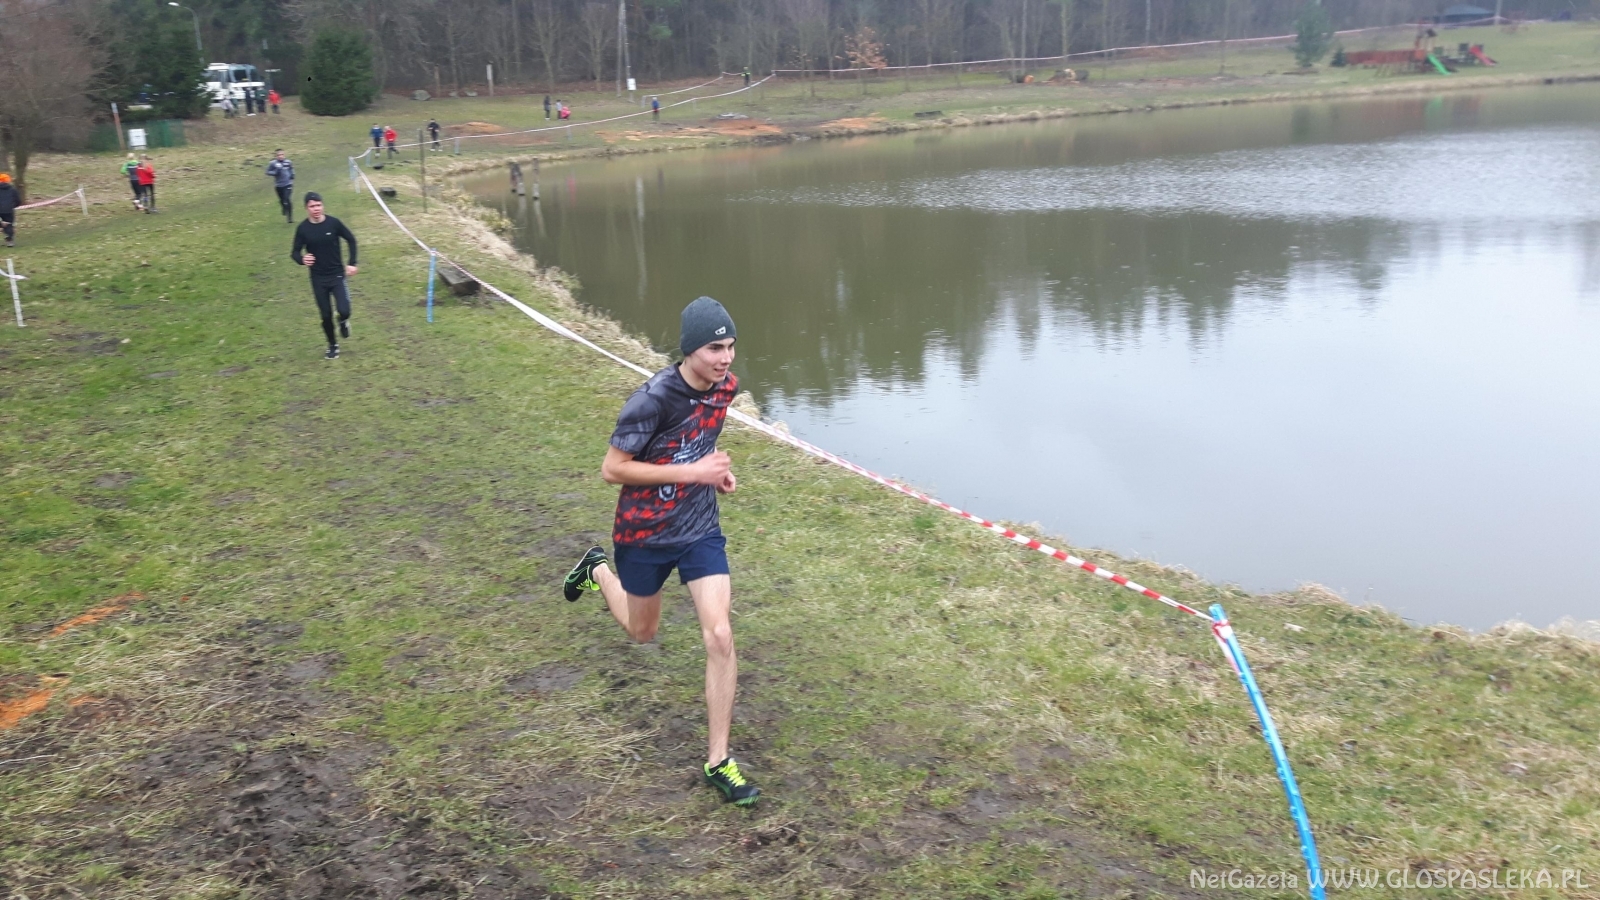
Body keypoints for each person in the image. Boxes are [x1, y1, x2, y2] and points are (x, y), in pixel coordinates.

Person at [563, 296, 759, 807]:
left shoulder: (725, 389)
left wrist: (715, 475)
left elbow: (699, 440)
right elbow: (612, 469)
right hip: (644, 533)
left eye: (731, 346)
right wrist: (692, 471)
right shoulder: (650, 401)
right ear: (690, 349)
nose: (726, 358)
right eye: (715, 348)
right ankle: (596, 569)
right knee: (642, 632)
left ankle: (719, 760)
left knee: (720, 634)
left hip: (698, 528)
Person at [290, 192, 358, 360]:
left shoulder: (333, 223)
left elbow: (351, 240)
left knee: (344, 310)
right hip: (318, 278)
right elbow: (294, 252)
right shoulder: (303, 229)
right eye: (312, 206)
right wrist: (302, 259)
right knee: (326, 315)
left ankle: (343, 321)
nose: (316, 209)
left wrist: (352, 263)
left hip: (337, 275)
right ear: (306, 208)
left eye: (319, 205)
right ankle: (332, 345)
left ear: (323, 206)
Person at [265, 149, 295, 224]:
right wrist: (275, 172)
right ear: (276, 156)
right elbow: (267, 172)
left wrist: (292, 175)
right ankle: (284, 207)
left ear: (284, 155)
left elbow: (291, 169)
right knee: (282, 200)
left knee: (287, 199)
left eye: (282, 154)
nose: (281, 156)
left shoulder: (288, 162)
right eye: (279, 155)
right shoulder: (273, 163)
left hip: (288, 184)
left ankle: (290, 217)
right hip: (278, 185)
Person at [0, 174, 18, 248]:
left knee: (6, 224)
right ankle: (9, 240)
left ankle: (2, 224)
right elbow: (18, 200)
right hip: (8, 210)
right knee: (9, 224)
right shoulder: (12, 190)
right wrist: (12, 206)